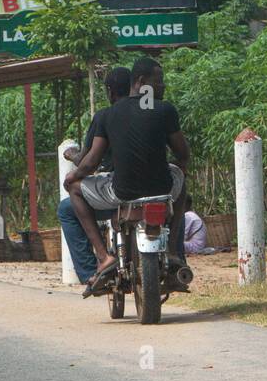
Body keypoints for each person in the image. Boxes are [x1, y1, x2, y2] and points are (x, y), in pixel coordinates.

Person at [65, 57, 190, 284]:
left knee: (74, 190)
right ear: (141, 81)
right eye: (158, 81)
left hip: (121, 193)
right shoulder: (165, 110)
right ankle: (173, 252)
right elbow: (183, 154)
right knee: (181, 179)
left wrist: (72, 177)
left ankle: (103, 257)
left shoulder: (107, 115)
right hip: (163, 190)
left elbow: (90, 162)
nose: (162, 86)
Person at [57, 67, 132, 284]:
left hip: (114, 192)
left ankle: (93, 269)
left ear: (110, 91)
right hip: (152, 188)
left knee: (66, 209)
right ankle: (176, 256)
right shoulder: (155, 111)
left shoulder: (105, 117)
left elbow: (88, 162)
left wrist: (72, 157)